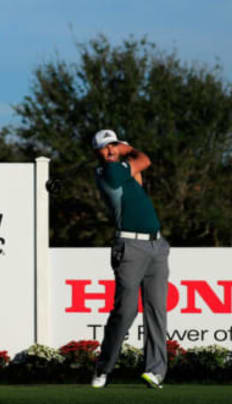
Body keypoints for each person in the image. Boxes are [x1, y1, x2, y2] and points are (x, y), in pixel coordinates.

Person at [90, 129, 170, 389]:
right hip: (130, 246)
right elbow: (144, 160)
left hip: (156, 244)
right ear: (98, 153)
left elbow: (139, 173)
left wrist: (125, 150)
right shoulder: (109, 172)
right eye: (105, 148)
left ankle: (156, 371)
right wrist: (126, 147)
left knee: (156, 310)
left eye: (113, 145)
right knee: (126, 311)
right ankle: (103, 368)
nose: (110, 151)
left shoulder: (125, 171)